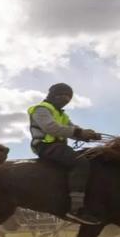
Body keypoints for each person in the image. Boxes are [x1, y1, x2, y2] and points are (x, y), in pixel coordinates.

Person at [28, 83, 101, 225]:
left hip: (58, 146)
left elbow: (72, 129)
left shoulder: (62, 114)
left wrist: (89, 135)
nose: (67, 99)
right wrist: (79, 133)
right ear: (53, 95)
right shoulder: (41, 109)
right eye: (64, 95)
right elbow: (51, 128)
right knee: (80, 162)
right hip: (45, 146)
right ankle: (76, 209)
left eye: (69, 97)